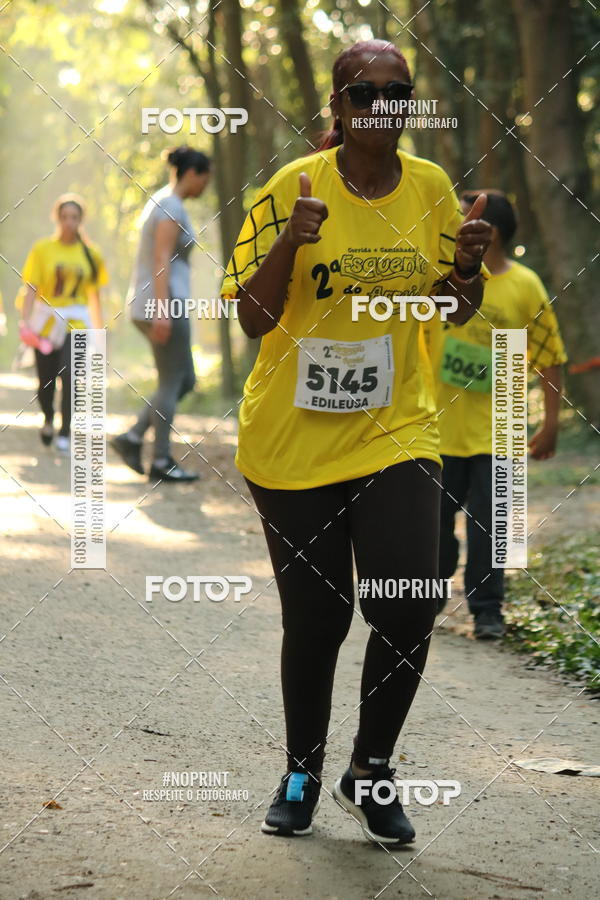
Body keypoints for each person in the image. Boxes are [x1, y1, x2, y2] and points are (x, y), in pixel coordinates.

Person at [220, 40, 492, 843]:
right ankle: (302, 769)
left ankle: (371, 771)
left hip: (397, 428)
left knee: (410, 600)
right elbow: (251, 318)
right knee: (319, 616)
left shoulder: (434, 191)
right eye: (363, 92)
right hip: (291, 439)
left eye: (397, 91)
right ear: (336, 108)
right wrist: (288, 244)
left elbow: (450, 312)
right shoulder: (288, 188)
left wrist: (468, 274)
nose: (382, 104)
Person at [426, 190, 567, 639]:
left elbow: (550, 357)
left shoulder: (526, 285)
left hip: (502, 423)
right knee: (433, 525)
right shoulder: (442, 276)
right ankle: (428, 595)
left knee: (492, 528)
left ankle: (487, 611)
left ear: (492, 233)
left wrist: (548, 424)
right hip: (438, 425)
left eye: (467, 219)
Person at [111, 146, 211, 482]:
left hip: (160, 303)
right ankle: (161, 460)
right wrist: (163, 311)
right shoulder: (170, 205)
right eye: (205, 178)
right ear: (193, 173)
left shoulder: (165, 201)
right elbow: (160, 260)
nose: (206, 186)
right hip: (163, 303)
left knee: (185, 380)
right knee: (172, 381)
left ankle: (134, 436)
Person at [19, 194, 107, 452]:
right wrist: (25, 324)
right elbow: (31, 288)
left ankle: (65, 430)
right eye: (65, 217)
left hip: (77, 325)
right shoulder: (42, 249)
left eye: (74, 218)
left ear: (81, 220)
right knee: (45, 379)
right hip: (46, 324)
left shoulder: (91, 254)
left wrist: (100, 331)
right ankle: (48, 417)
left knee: (71, 375)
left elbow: (95, 296)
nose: (69, 222)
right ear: (57, 218)